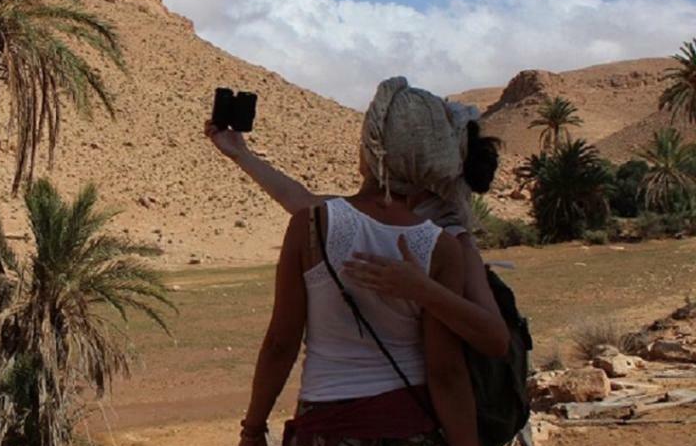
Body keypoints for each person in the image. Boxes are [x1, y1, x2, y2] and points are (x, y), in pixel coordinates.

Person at [220, 78, 501, 446]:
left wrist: (252, 432)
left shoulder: (312, 225)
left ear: (369, 147)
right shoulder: (442, 247)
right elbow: (446, 374)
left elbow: (279, 345)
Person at [206, 96, 509, 358]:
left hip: (420, 412)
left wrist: (424, 290)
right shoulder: (372, 215)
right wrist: (241, 154)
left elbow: (495, 339)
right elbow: (300, 199)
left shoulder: (452, 237)